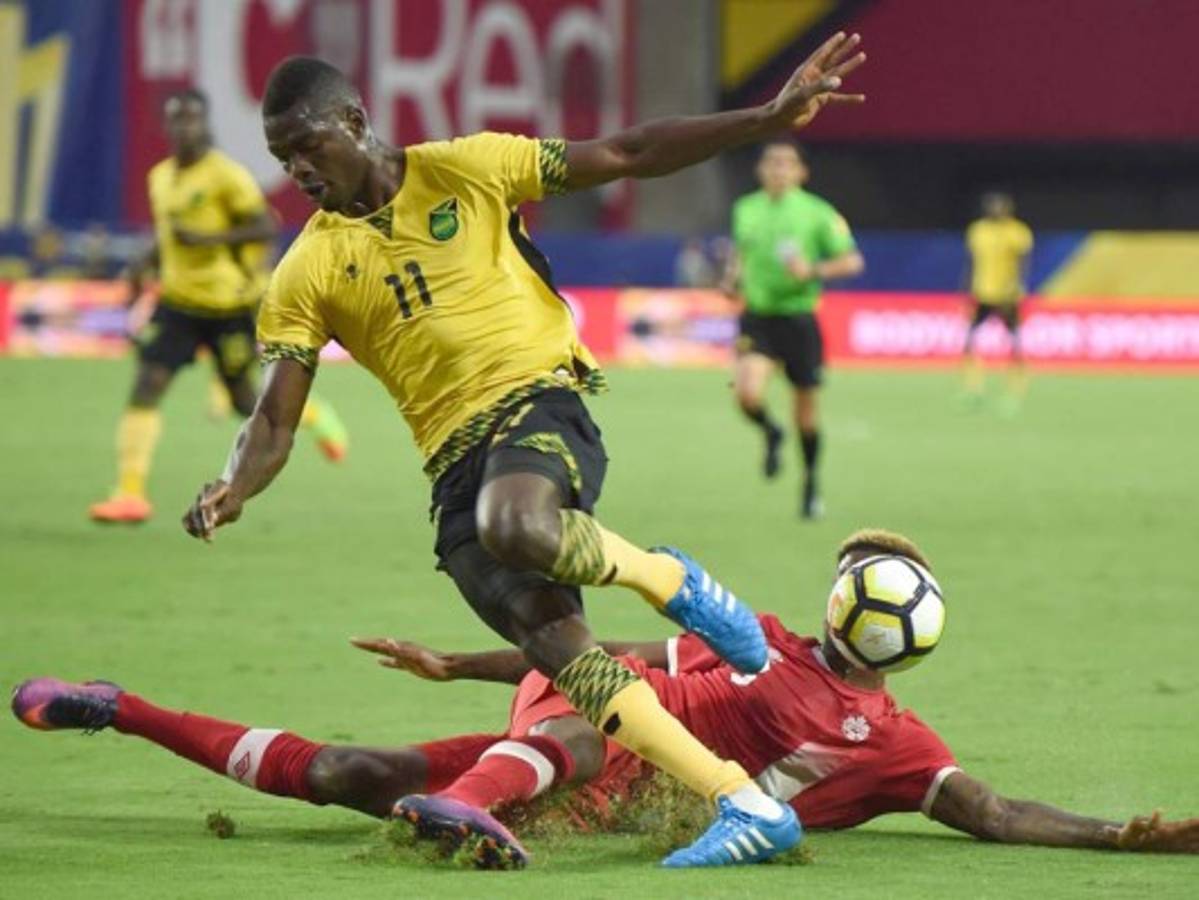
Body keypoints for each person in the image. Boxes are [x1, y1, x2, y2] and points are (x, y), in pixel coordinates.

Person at [178, 35, 868, 865]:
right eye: (282, 157)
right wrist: (233, 484)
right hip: (450, 470)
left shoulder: (468, 168)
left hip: (535, 405)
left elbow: (627, 152)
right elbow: (275, 420)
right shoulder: (306, 270)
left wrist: (764, 117)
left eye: (307, 145)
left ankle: (671, 580)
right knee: (566, 661)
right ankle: (743, 803)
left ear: (354, 121)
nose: (296, 169)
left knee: (513, 523)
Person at [15, 529, 1199, 871]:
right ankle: (475, 811)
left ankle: (120, 708)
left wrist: (1124, 836)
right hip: (585, 720)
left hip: (576, 771)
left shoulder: (894, 746)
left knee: (348, 775)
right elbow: (594, 647)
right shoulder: (766, 649)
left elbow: (991, 812)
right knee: (598, 716)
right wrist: (463, 662)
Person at [89, 88, 348, 524]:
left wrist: (207, 240)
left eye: (191, 118)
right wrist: (142, 267)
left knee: (244, 400)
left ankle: (316, 415)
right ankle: (130, 494)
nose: (184, 127)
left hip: (226, 306)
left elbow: (264, 227)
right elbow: (168, 237)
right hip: (177, 303)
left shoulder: (225, 176)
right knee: (147, 385)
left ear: (204, 123)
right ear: (166, 125)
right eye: (176, 118)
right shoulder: (160, 177)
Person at [721, 140, 864, 519]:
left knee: (806, 415)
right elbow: (740, 253)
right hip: (758, 317)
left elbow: (852, 261)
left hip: (799, 320)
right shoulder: (746, 209)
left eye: (787, 163)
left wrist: (813, 270)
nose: (778, 169)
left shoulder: (818, 213)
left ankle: (810, 482)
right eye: (771, 162)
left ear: (802, 172)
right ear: (759, 170)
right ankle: (771, 431)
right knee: (746, 395)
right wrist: (732, 278)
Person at [961, 192, 1034, 411]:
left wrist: (1018, 286)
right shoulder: (978, 231)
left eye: (1000, 207)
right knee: (969, 342)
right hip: (982, 292)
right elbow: (971, 262)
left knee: (1015, 344)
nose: (996, 211)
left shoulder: (1017, 232)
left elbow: (1024, 262)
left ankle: (1015, 392)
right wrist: (965, 290)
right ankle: (973, 389)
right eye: (992, 207)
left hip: (1007, 295)